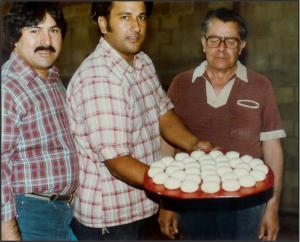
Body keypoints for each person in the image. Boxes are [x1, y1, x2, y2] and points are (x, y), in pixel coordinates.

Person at [66, 1, 211, 240]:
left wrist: (194, 144)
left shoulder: (142, 62)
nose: (136, 27)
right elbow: (117, 161)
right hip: (110, 220)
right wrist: (172, 183)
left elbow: (163, 114)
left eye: (141, 18)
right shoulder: (100, 78)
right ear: (103, 23)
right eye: (125, 17)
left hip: (140, 207)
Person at [159, 7, 286, 241]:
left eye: (230, 41)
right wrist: (166, 204)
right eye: (215, 39)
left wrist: (272, 208)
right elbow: (167, 145)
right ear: (203, 42)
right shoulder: (181, 83)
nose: (221, 48)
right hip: (192, 201)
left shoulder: (260, 86)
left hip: (246, 204)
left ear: (242, 46)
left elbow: (273, 151)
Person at [1, 2, 79, 240]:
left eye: (54, 30)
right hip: (29, 214)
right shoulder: (9, 87)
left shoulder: (53, 79)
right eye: (35, 30)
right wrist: (9, 231)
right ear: (15, 37)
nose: (47, 39)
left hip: (61, 211)